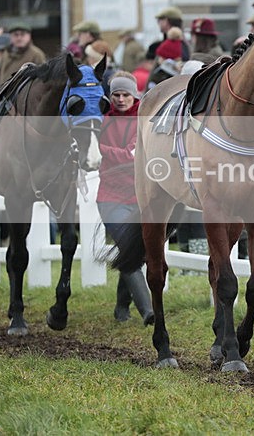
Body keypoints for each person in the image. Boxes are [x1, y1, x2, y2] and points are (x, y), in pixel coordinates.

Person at [97, 72, 154, 325]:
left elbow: (133, 154)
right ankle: (149, 311)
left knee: (133, 252)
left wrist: (103, 151)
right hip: (109, 196)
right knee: (127, 249)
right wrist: (117, 153)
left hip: (137, 196)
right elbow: (127, 154)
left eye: (125, 95)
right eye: (116, 95)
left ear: (135, 96)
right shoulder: (102, 121)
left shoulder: (144, 120)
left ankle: (122, 306)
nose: (120, 99)